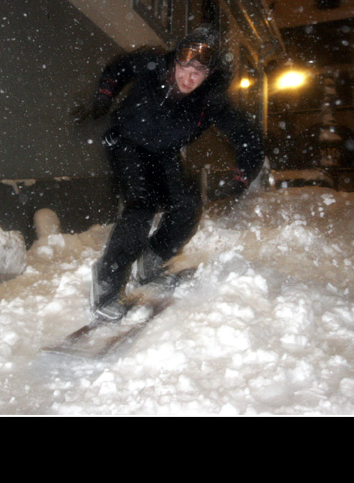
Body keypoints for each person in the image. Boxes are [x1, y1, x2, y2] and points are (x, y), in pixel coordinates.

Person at [73, 26, 264, 321]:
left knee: (187, 207)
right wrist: (103, 98)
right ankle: (107, 284)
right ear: (175, 61)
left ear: (208, 75)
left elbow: (248, 138)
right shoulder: (152, 65)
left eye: (197, 73)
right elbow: (118, 68)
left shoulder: (211, 101)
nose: (187, 78)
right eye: (184, 68)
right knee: (141, 208)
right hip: (127, 143)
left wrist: (241, 178)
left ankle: (151, 263)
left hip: (164, 153)